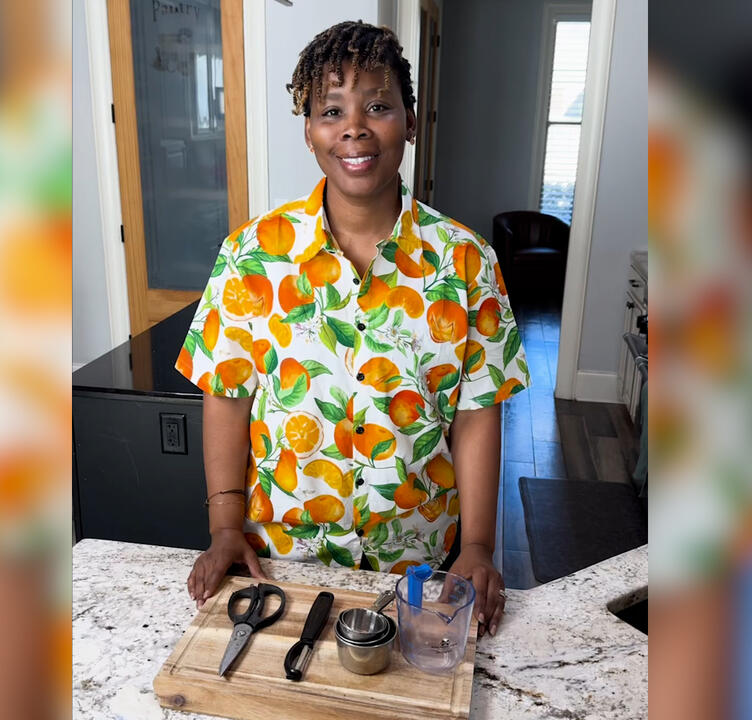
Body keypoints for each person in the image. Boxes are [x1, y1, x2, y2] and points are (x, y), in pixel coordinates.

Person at [174, 21, 529, 637]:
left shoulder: (468, 263)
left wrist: (478, 546)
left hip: (419, 572)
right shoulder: (251, 257)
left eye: (379, 106)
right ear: (309, 131)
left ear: (411, 121)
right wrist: (226, 530)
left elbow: (477, 413)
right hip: (279, 567)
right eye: (330, 110)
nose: (354, 128)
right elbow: (226, 399)